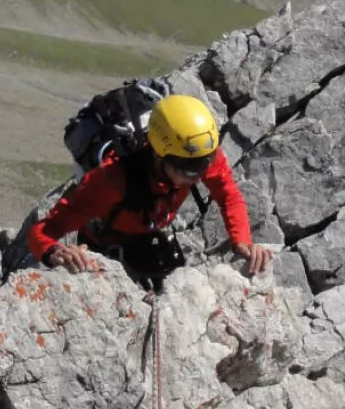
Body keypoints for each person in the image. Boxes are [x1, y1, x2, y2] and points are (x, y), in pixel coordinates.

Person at [24, 93, 273, 289]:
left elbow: (228, 194)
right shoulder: (111, 181)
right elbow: (43, 231)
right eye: (187, 171)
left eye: (204, 164)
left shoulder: (199, 155)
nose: (198, 175)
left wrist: (243, 242)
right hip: (105, 245)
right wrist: (55, 253)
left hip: (150, 231)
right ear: (159, 156)